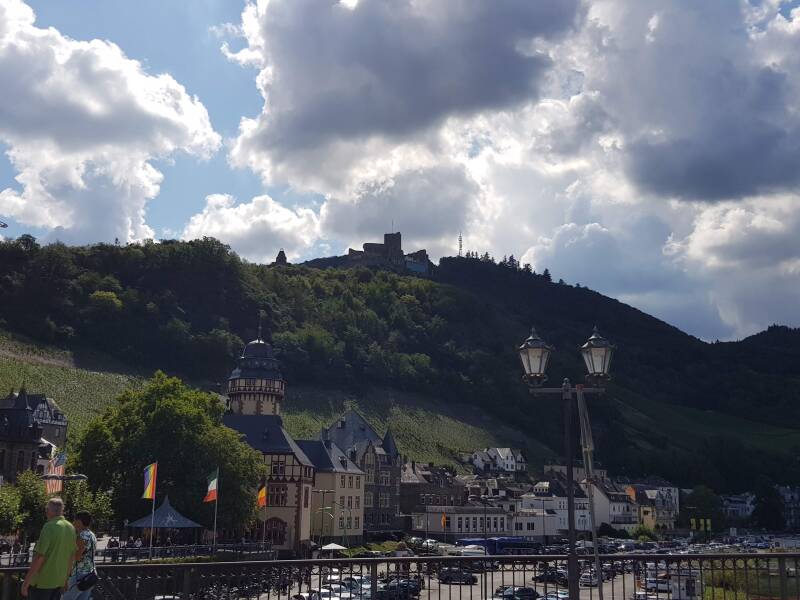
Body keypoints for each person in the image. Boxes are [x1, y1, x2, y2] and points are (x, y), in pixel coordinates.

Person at [21, 497, 77, 600]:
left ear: (50, 511)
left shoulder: (49, 526)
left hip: (43, 582)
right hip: (59, 581)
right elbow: (71, 557)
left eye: (46, 509)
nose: (45, 511)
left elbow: (39, 557)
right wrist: (66, 579)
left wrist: (26, 583)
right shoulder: (71, 528)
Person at [62, 511, 96, 600]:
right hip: (89, 575)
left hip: (78, 576)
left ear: (79, 522)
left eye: (75, 520)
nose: (73, 523)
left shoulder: (82, 535)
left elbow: (76, 557)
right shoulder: (92, 535)